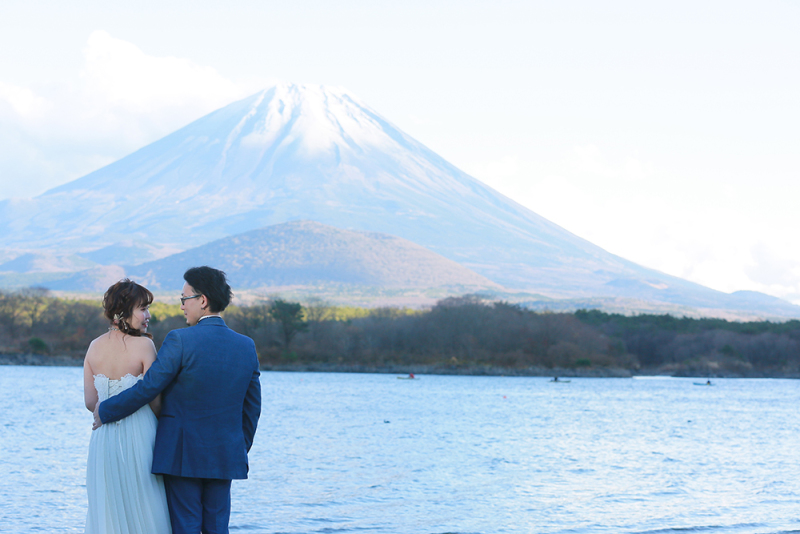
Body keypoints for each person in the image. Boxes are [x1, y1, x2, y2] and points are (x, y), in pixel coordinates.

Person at [93, 266, 261, 534]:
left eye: (185, 299)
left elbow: (149, 388)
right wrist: (238, 446)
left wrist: (107, 410)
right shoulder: (246, 345)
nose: (182, 306)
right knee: (218, 528)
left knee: (186, 527)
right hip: (225, 454)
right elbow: (252, 407)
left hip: (182, 454)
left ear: (202, 300)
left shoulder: (180, 340)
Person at [83, 279, 172, 533]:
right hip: (141, 436)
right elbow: (155, 400)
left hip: (103, 441)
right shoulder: (144, 345)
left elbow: (91, 402)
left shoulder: (93, 347)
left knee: (108, 510)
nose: (148, 315)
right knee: (146, 505)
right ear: (123, 311)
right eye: (142, 308)